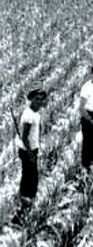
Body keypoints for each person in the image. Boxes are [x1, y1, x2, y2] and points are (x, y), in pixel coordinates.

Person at [11, 87, 49, 226]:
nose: (39, 102)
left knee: (30, 178)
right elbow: (25, 137)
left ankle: (26, 206)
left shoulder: (35, 113)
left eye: (41, 99)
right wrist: (31, 154)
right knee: (30, 178)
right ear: (31, 99)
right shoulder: (28, 115)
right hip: (27, 151)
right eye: (37, 99)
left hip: (32, 149)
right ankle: (20, 213)